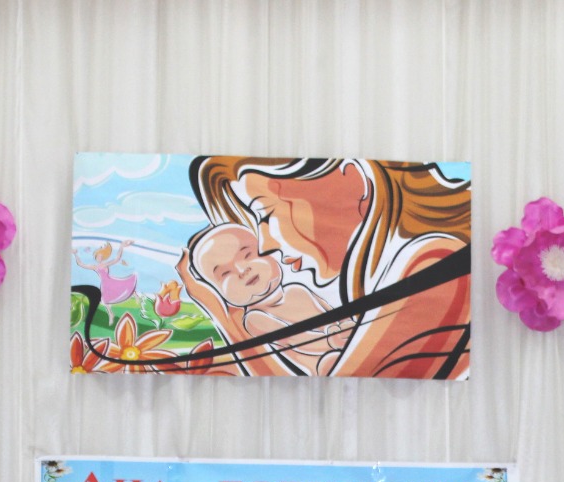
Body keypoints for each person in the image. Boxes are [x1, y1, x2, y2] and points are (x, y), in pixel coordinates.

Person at [178, 157, 470, 379]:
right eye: (224, 273)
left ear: (353, 180)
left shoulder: (432, 265)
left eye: (265, 215)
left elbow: (338, 381)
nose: (266, 245)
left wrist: (224, 316)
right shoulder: (257, 318)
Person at [188, 224, 347, 375]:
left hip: (342, 342)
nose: (242, 270)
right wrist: (331, 341)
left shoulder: (298, 290)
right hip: (322, 363)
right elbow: (295, 340)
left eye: (248, 255)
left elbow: (336, 315)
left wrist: (348, 327)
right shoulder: (255, 318)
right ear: (216, 290)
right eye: (225, 273)